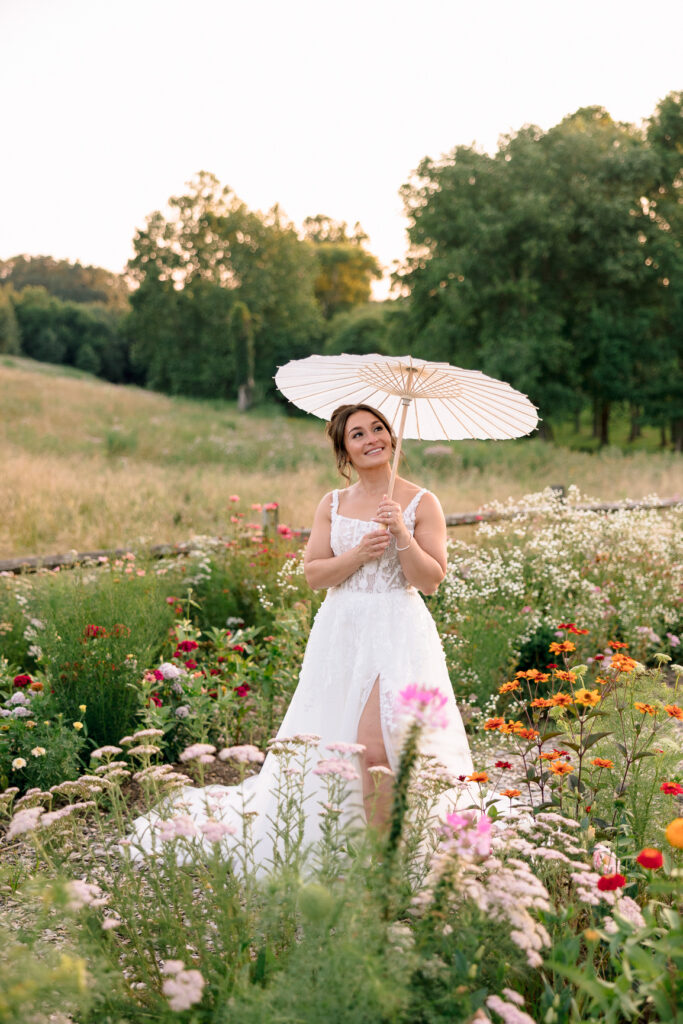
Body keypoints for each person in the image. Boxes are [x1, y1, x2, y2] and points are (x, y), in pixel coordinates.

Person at [127, 403, 473, 869]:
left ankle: (385, 863)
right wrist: (358, 555)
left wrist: (401, 535)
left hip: (397, 631)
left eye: (378, 429)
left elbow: (430, 580)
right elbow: (314, 575)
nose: (372, 438)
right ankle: (352, 848)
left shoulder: (420, 501)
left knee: (381, 745)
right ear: (344, 450)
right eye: (358, 434)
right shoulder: (333, 503)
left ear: (392, 437)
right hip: (342, 631)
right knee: (335, 743)